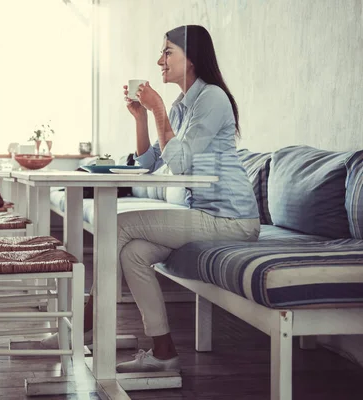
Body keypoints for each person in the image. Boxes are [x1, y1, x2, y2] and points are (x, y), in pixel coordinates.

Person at [43, 25, 260, 373]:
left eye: (168, 52)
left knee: (116, 226)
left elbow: (180, 163)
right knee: (133, 253)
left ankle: (82, 322)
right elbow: (148, 164)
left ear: (191, 59)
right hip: (203, 213)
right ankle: (163, 351)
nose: (160, 60)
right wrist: (143, 118)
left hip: (232, 219)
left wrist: (158, 109)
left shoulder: (212, 99)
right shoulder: (181, 106)